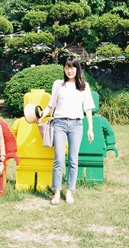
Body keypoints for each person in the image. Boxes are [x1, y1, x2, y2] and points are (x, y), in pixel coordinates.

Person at [39, 56, 95, 205]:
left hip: (77, 125)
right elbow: (51, 105)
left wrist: (90, 128)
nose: (70, 70)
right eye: (67, 67)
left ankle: (69, 192)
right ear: (64, 69)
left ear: (77, 69)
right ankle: (57, 192)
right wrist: (41, 115)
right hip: (59, 124)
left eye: (72, 67)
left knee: (73, 160)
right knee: (58, 159)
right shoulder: (58, 84)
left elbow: (88, 108)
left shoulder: (84, 86)